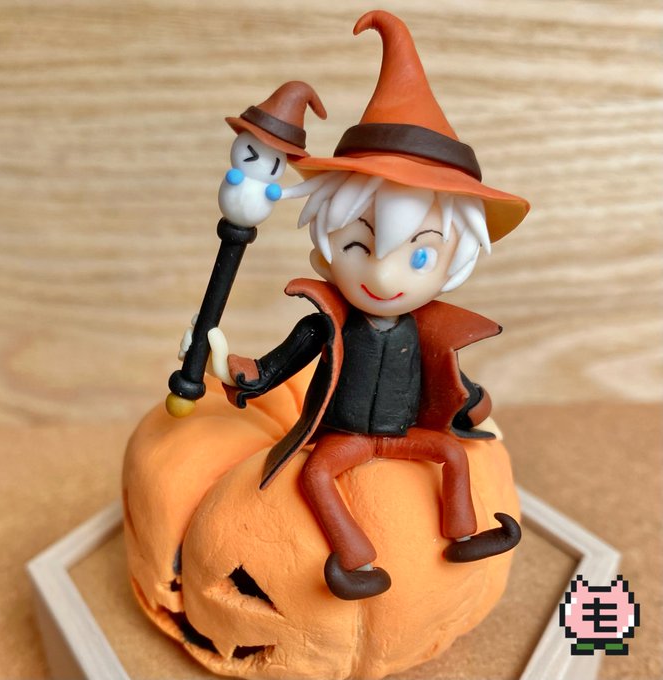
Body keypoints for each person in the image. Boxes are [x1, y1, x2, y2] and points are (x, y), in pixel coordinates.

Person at [205, 11, 530, 600]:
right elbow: (280, 363)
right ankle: (353, 558)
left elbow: (446, 376)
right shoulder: (326, 325)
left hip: (406, 434)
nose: (383, 273)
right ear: (327, 249)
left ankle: (463, 532)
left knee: (453, 457)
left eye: (420, 255)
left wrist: (472, 404)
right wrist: (237, 370)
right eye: (358, 245)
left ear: (456, 264)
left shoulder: (427, 330)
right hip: (345, 437)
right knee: (316, 474)